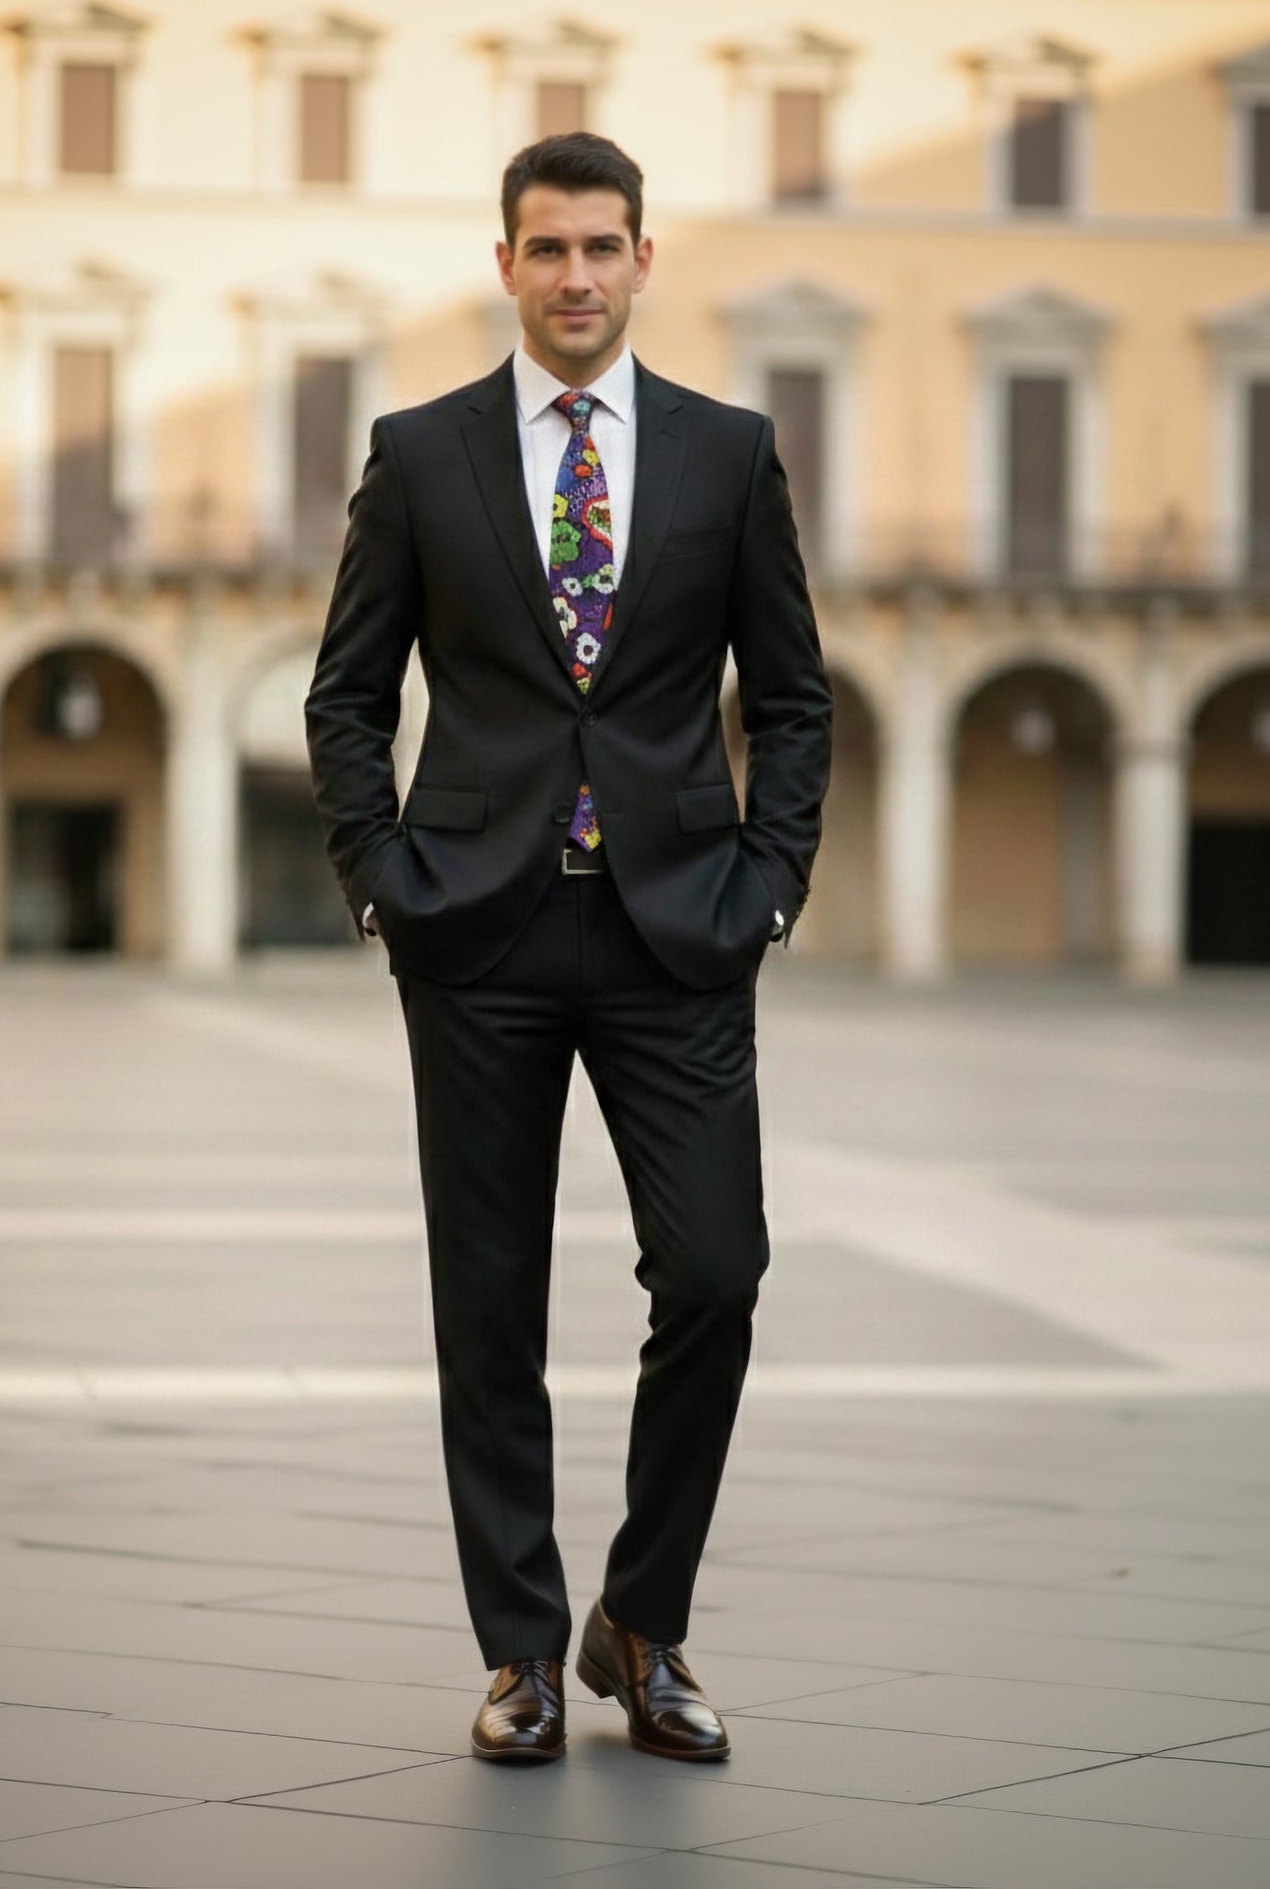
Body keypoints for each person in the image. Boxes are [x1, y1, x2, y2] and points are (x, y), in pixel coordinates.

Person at [304, 132, 832, 1764]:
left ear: (644, 261)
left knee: (719, 1272)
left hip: (678, 933)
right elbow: (345, 692)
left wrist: (769, 882)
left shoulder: (729, 454)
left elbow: (793, 697)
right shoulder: (422, 450)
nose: (579, 277)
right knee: (488, 1299)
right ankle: (521, 1651)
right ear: (507, 266)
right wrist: (384, 872)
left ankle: (642, 1619)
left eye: (605, 247)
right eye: (549, 250)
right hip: (478, 932)